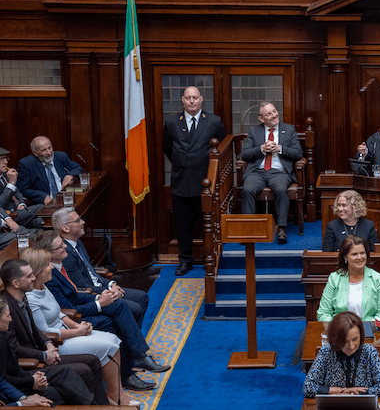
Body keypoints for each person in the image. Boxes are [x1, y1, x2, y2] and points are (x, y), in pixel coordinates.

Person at [32, 230, 169, 391]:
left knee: (121, 305)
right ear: (48, 254)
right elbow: (68, 308)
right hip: (74, 320)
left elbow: (76, 295)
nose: (65, 247)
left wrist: (100, 297)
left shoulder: (57, 266)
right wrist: (99, 304)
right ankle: (129, 370)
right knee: (114, 321)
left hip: (77, 310)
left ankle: (135, 357)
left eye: (63, 242)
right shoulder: (49, 277)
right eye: (60, 245)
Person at [22, 248, 138, 406]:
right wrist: (77, 332)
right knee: (107, 345)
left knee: (114, 340)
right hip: (58, 342)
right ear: (37, 271)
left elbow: (60, 314)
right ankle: (116, 398)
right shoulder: (31, 297)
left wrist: (78, 325)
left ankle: (116, 395)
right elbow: (45, 332)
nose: (51, 267)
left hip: (68, 331)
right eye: (47, 264)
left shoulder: (43, 286)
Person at [0, 258, 108, 405]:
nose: (34, 278)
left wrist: (48, 343)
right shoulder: (5, 310)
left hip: (41, 354)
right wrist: (43, 356)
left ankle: (104, 406)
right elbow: (14, 349)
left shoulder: (22, 297)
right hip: (29, 365)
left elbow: (34, 329)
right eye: (29, 276)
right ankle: (94, 407)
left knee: (93, 361)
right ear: (16, 283)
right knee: (82, 370)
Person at [163, 86, 227, 276]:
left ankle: (213, 256)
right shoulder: (172, 122)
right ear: (182, 100)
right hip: (181, 180)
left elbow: (222, 148)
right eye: (188, 98)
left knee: (210, 223)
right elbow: (167, 148)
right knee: (183, 225)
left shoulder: (214, 121)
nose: (192, 101)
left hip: (206, 182)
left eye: (195, 98)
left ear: (201, 100)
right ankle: (186, 260)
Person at [53, 206, 149, 326]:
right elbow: (81, 286)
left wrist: (111, 284)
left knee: (142, 297)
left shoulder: (78, 242)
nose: (83, 222)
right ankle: (129, 339)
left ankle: (132, 336)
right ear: (65, 228)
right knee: (135, 308)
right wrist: (107, 291)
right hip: (93, 295)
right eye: (78, 220)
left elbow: (92, 273)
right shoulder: (66, 254)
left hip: (101, 287)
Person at [0, 297, 95, 405]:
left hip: (22, 378)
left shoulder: (2, 335)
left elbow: (14, 369)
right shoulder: (1, 340)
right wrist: (30, 383)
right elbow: (3, 379)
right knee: (55, 394)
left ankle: (97, 406)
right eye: (7, 316)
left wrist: (33, 378)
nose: (10, 319)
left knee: (66, 373)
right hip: (15, 387)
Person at [240, 101, 303, 244]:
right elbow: (245, 154)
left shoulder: (289, 129)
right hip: (257, 171)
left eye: (274, 111)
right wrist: (261, 149)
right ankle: (248, 229)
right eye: (269, 114)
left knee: (281, 189)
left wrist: (280, 148)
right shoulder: (255, 131)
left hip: (279, 172)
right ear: (261, 119)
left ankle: (281, 228)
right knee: (248, 189)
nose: (274, 115)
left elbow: (298, 153)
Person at [302, 311, 380, 397]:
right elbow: (308, 387)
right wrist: (342, 390)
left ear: (361, 335)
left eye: (355, 339)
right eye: (345, 341)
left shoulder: (369, 351)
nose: (351, 346)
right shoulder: (326, 351)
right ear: (336, 339)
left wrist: (354, 393)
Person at [317, 235, 380, 322]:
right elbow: (323, 313)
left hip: (369, 331)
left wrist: (366, 329)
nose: (359, 257)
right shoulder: (334, 278)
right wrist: (338, 329)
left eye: (362, 253)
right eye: (354, 254)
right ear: (345, 257)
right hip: (341, 332)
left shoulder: (377, 278)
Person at [16, 136, 83, 206]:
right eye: (44, 150)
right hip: (46, 204)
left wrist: (70, 175)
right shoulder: (27, 164)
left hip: (67, 198)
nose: (49, 152)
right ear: (35, 152)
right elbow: (23, 189)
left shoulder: (61, 156)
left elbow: (77, 168)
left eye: (49, 148)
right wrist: (42, 196)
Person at [0, 147, 43, 229]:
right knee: (40, 206)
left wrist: (21, 203)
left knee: (41, 222)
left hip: (17, 212)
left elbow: (16, 191)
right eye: (2, 159)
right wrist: (11, 184)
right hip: (6, 216)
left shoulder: (5, 174)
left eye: (6, 158)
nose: (6, 162)